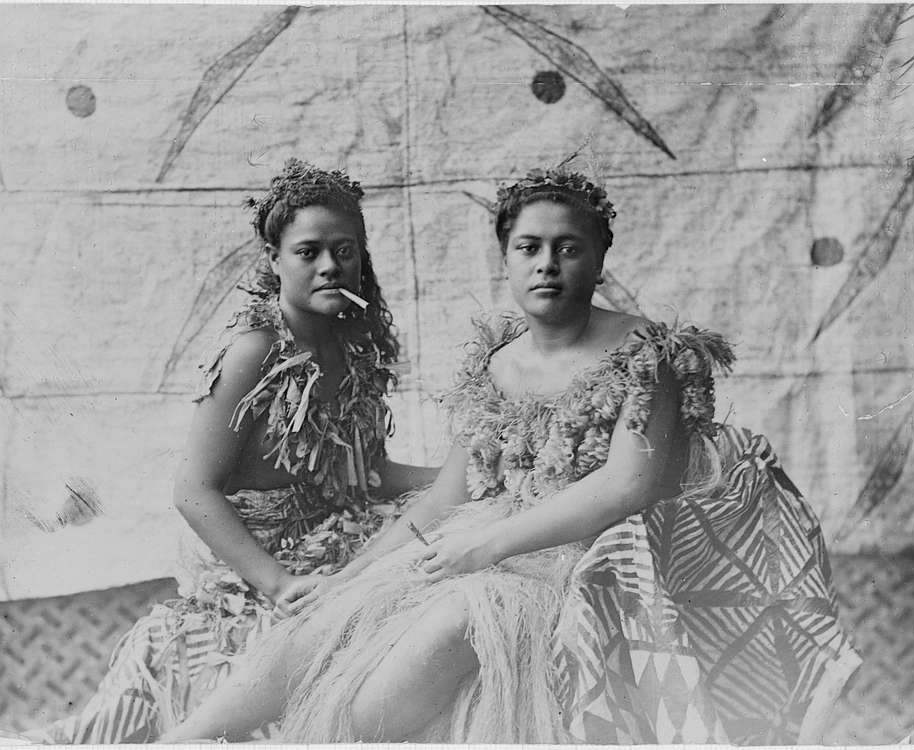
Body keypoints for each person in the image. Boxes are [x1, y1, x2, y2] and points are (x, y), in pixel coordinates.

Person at [159, 166, 860, 745]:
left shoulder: (645, 352)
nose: (548, 265)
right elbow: (446, 498)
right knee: (335, 615)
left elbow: (625, 484)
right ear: (507, 258)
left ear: (599, 257)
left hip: (583, 559)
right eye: (529, 248)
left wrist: (487, 549)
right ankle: (185, 741)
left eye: (568, 247)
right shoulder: (497, 360)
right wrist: (356, 577)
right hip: (484, 538)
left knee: (429, 649)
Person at [22, 159, 439, 743]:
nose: (329, 266)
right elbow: (193, 491)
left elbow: (366, 474)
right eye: (308, 251)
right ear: (274, 260)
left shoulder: (355, 347)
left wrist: (458, 475)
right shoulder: (256, 350)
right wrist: (277, 585)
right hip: (259, 565)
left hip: (336, 539)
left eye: (345, 251)